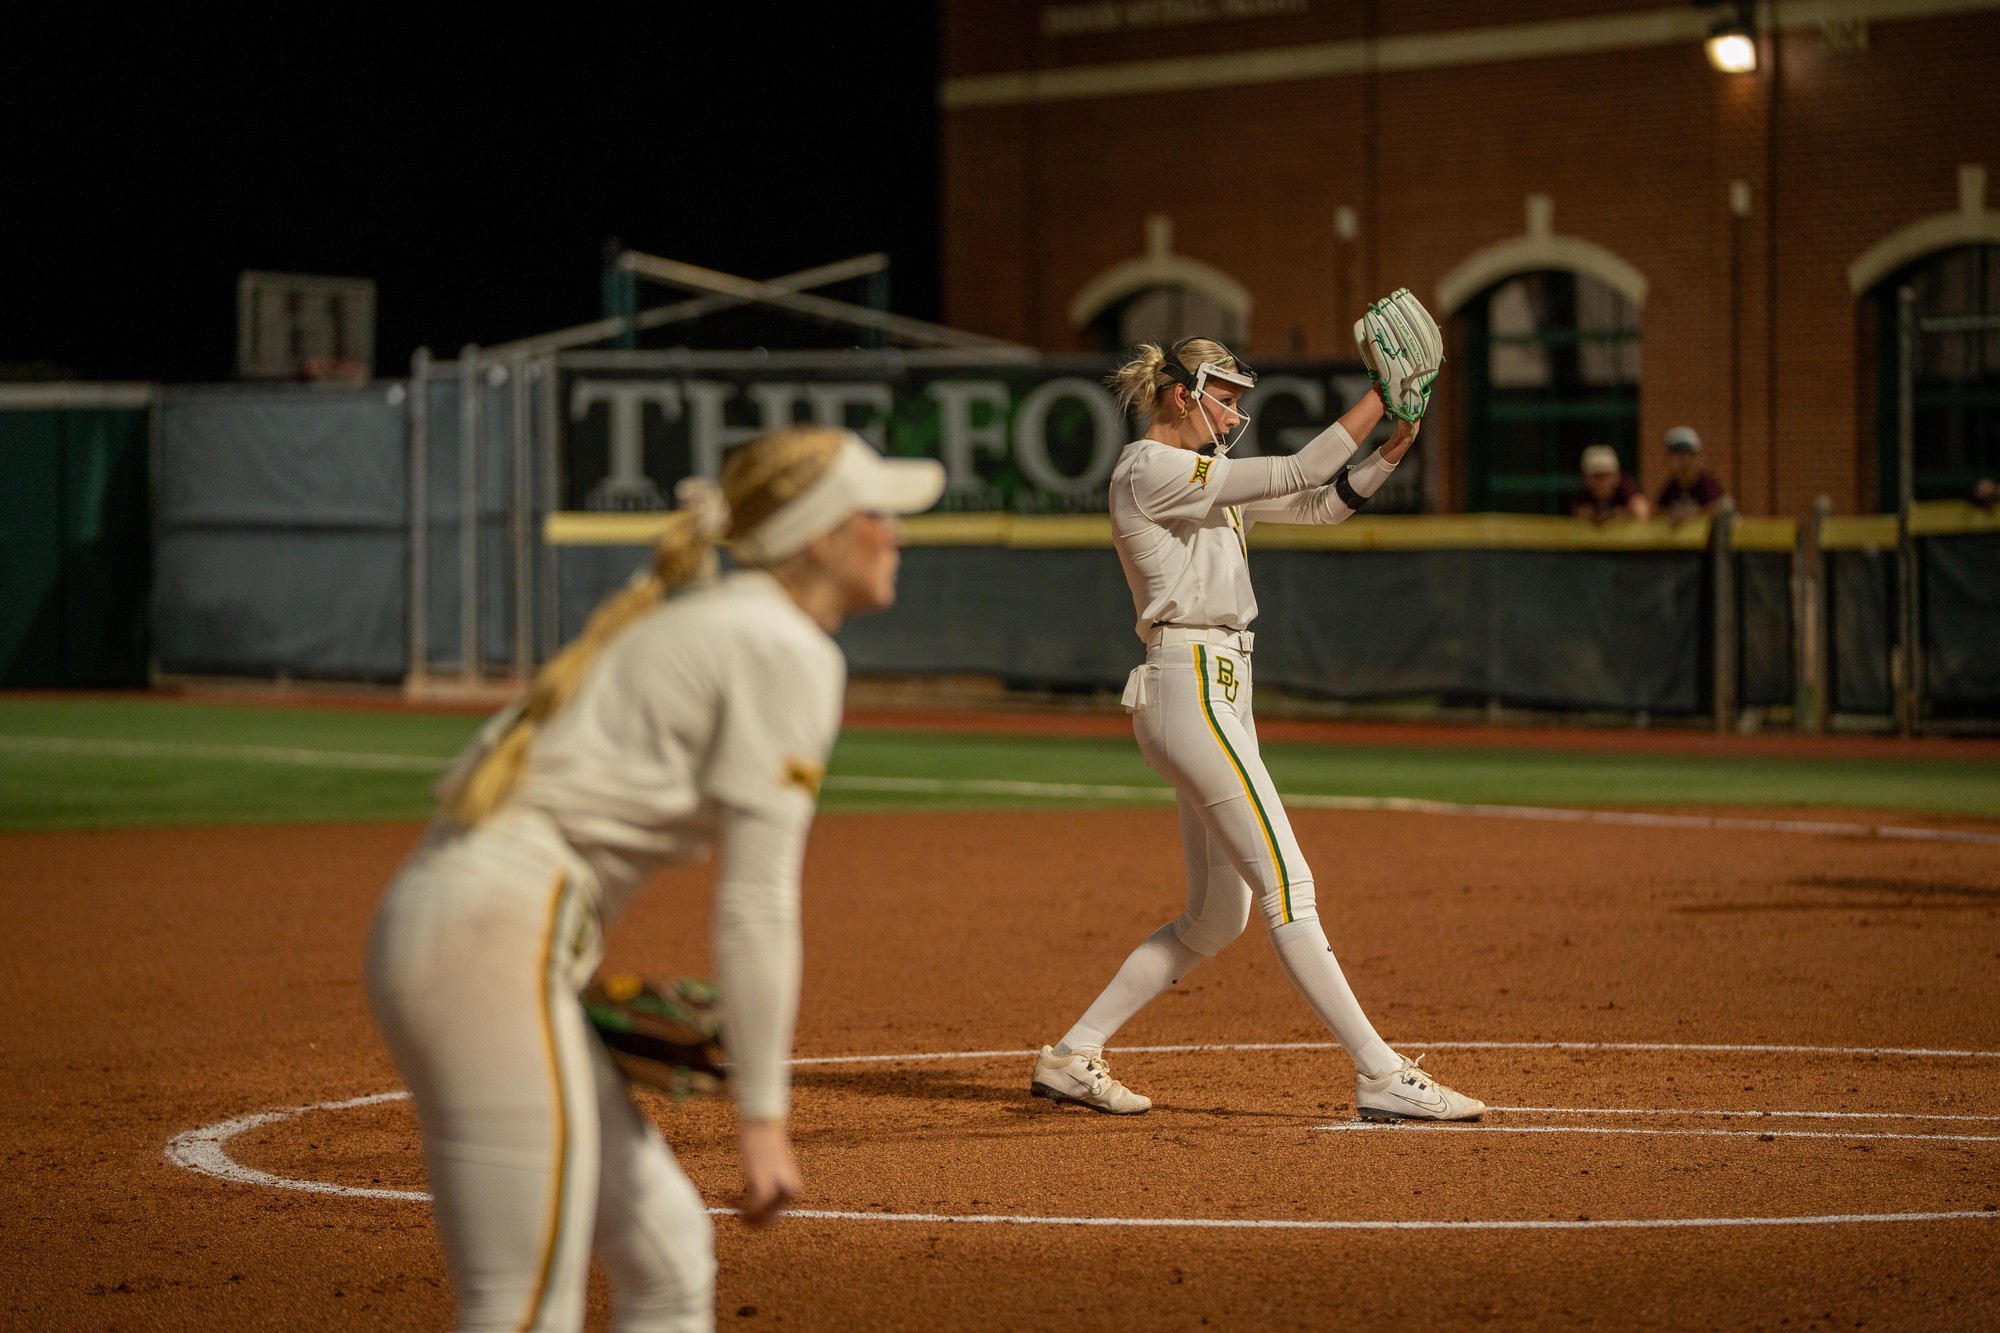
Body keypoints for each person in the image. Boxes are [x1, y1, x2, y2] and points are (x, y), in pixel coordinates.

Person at [366, 426, 944, 1332]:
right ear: (820, 536)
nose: (897, 534)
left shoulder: (713, 619)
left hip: (484, 927)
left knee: (670, 1256)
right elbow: (757, 900)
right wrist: (763, 1121)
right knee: (522, 1305)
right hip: (494, 937)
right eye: (878, 514)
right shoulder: (781, 644)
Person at [1029, 326, 1483, 1124]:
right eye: (1226, 398)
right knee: (1289, 886)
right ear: (1182, 394)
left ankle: (1073, 1054)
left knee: (1217, 916)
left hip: (1217, 691)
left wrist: (1391, 448)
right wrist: (1378, 394)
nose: (1236, 414)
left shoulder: (1201, 478)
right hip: (1191, 685)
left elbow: (1321, 504)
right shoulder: (1149, 466)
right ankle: (1380, 1071)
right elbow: (1303, 467)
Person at [1655, 426, 1725, 521]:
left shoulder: (1706, 484)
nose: (1684, 460)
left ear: (1698, 457)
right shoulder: (1671, 487)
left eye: (1689, 455)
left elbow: (1719, 507)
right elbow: (1658, 511)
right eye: (1677, 455)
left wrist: (1692, 514)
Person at [1572, 444, 1650, 523]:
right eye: (1596, 476)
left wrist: (1619, 515)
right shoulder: (1584, 494)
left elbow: (1641, 511)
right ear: (1587, 478)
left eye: (1606, 475)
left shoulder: (1625, 488)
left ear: (1616, 476)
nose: (1602, 482)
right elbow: (1581, 516)